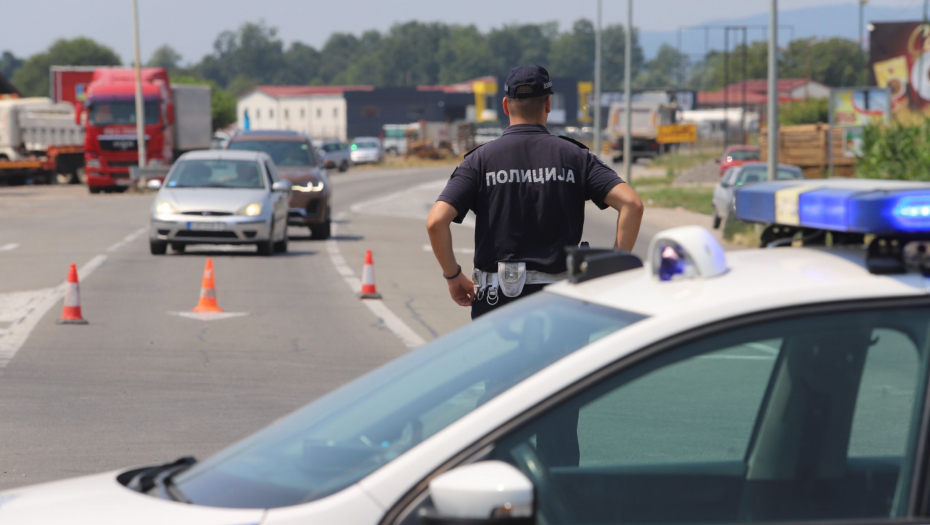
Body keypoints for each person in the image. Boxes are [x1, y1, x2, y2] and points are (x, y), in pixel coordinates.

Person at [426, 65, 644, 320]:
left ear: (506, 106)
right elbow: (632, 204)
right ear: (548, 104)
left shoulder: (480, 161)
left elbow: (435, 222)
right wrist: (610, 270)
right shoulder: (575, 156)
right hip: (563, 304)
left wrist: (453, 277)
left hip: (497, 304)